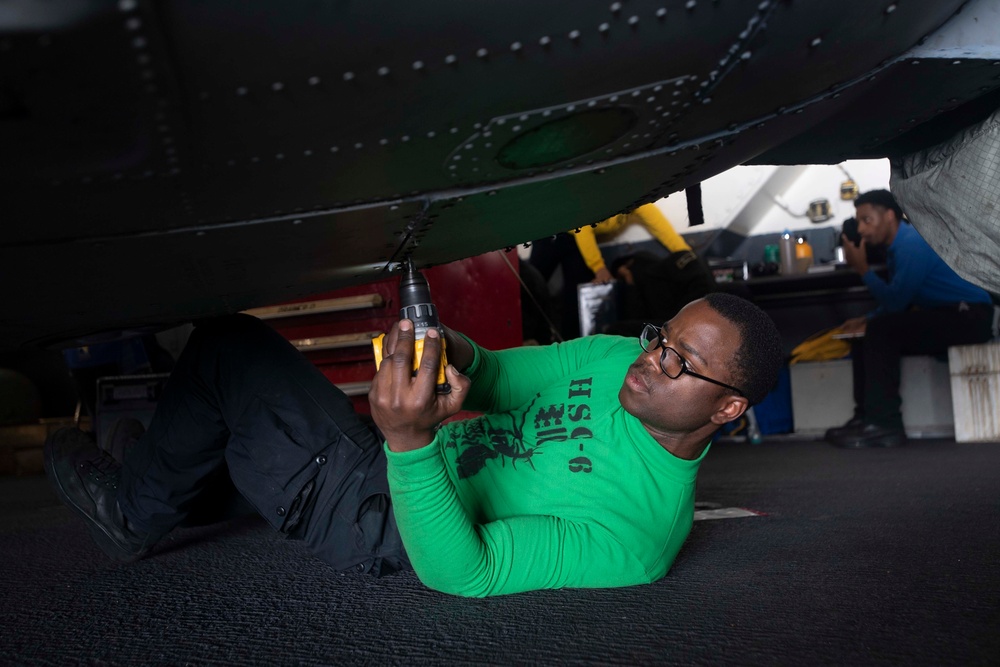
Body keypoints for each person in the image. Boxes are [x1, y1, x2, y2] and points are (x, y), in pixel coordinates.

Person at [44, 292, 783, 597]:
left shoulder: (639, 537)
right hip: (396, 455)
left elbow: (467, 570)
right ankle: (177, 479)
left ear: (729, 406)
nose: (650, 360)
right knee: (236, 431)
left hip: (386, 518)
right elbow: (491, 372)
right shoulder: (619, 356)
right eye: (662, 339)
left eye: (681, 362)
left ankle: (135, 511)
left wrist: (406, 440)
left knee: (226, 346)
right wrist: (443, 345)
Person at [826, 189, 995, 449]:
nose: (861, 229)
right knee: (868, 333)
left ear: (890, 217)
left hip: (969, 316)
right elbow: (898, 300)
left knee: (881, 331)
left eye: (866, 220)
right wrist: (865, 320)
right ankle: (866, 418)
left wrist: (863, 269)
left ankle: (885, 425)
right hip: (950, 313)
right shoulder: (897, 247)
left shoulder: (911, 243)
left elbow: (896, 302)